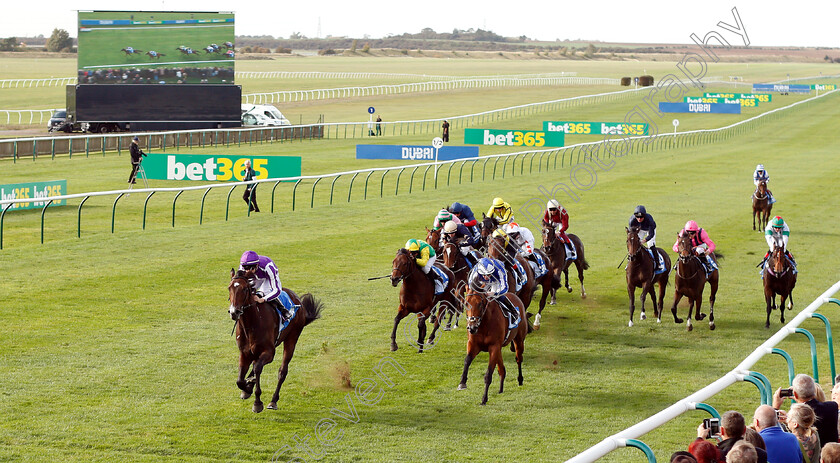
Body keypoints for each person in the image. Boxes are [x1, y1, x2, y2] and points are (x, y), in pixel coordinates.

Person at [774, 374, 839, 447]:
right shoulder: (833, 406)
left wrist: (775, 408)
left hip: (812, 456)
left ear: (795, 394)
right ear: (814, 390)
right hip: (832, 453)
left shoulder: (799, 417)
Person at [239, 251, 294, 324]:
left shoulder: (269, 267)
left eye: (250, 268)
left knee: (266, 291)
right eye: (246, 268)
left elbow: (276, 290)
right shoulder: (242, 268)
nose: (248, 271)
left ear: (256, 266)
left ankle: (283, 309)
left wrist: (263, 299)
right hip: (256, 277)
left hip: (267, 276)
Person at [697, 410, 768, 463]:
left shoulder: (716, 456)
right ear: (745, 430)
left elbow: (695, 458)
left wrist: (699, 439)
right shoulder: (761, 454)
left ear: (721, 430)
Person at [467, 257, 519, 323]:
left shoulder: (500, 269)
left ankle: (513, 311)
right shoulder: (477, 269)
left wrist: (494, 293)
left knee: (497, 296)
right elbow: (471, 284)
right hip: (481, 280)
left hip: (496, 280)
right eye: (484, 275)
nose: (486, 277)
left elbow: (505, 288)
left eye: (488, 275)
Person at [628, 205, 664, 273]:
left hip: (649, 230)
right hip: (640, 230)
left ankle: (658, 263)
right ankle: (630, 262)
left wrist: (644, 240)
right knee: (634, 244)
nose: (639, 219)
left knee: (650, 245)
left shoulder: (649, 219)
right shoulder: (632, 221)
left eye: (641, 217)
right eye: (637, 217)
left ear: (644, 216)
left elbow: (651, 234)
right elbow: (631, 233)